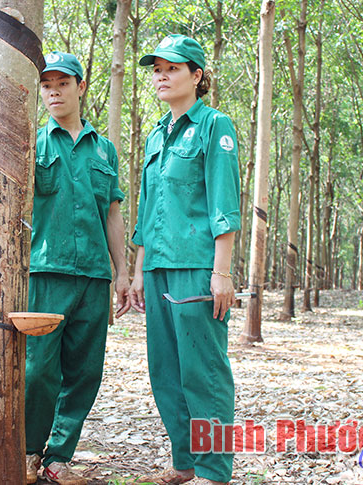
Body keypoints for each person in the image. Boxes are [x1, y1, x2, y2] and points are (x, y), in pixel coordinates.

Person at [129, 34, 240, 485]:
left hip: (197, 266)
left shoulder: (215, 126)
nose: (161, 76)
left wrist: (222, 271)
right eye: (157, 69)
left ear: (197, 76)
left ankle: (213, 470)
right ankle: (185, 461)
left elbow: (224, 203)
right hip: (157, 266)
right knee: (166, 371)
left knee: (203, 371)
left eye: (172, 69)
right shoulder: (156, 133)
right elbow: (146, 207)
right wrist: (138, 270)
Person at [25, 52, 131, 485]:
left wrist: (122, 272)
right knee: (38, 369)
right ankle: (29, 450)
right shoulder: (32, 143)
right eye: (46, 85)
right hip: (45, 271)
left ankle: (58, 457)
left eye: (62, 83)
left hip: (93, 275)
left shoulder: (104, 149)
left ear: (80, 87)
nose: (54, 92)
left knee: (85, 371)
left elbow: (113, 214)